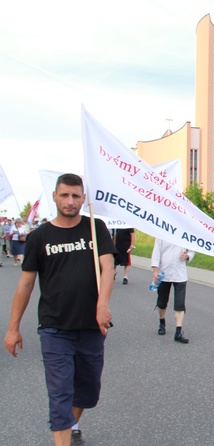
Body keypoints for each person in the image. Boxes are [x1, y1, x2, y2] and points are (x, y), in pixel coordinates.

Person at [3, 173, 115, 446]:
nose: (70, 201)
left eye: (76, 195)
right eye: (64, 195)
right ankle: (63, 435)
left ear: (83, 198)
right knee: (60, 393)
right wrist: (13, 328)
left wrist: (102, 305)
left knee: (88, 391)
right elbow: (26, 284)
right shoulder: (39, 237)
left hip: (91, 326)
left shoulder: (95, 228)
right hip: (54, 329)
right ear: (54, 196)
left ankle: (72, 423)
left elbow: (108, 267)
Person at [150, 238, 194, 343]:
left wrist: (188, 256)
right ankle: (162, 321)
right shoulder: (161, 234)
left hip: (180, 274)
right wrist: (156, 270)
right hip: (164, 273)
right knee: (162, 302)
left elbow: (192, 250)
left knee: (180, 304)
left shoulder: (185, 234)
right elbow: (156, 253)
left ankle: (178, 332)